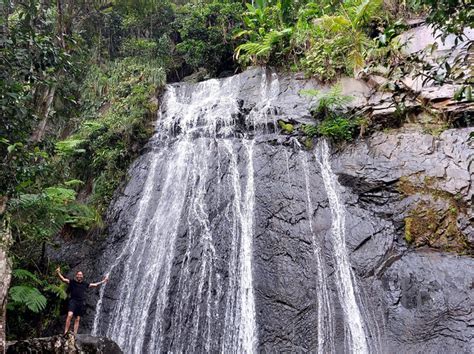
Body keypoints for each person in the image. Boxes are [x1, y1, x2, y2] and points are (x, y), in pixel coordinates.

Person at [56, 267, 108, 335]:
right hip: (73, 301)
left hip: (80, 302)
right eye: (78, 274)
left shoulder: (85, 284)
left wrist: (103, 281)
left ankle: (75, 334)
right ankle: (65, 332)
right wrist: (58, 272)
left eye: (81, 275)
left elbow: (95, 285)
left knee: (77, 319)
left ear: (82, 276)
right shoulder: (72, 282)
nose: (80, 276)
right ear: (76, 276)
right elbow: (63, 279)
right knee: (70, 315)